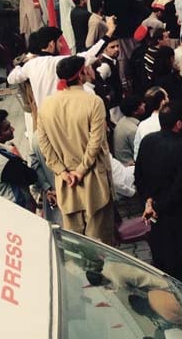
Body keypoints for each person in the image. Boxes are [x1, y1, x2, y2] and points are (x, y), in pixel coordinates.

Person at [35, 56, 115, 244]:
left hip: (66, 184)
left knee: (77, 243)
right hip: (94, 180)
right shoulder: (93, 102)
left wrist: (62, 172)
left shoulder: (46, 105)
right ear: (80, 74)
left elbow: (44, 143)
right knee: (100, 244)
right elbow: (96, 142)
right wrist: (80, 171)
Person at [135, 102, 182, 287]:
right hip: (179, 220)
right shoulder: (181, 150)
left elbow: (139, 176)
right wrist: (156, 206)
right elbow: (180, 188)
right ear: (179, 124)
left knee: (162, 267)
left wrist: (148, 202)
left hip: (156, 218)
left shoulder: (148, 141)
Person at [0, 109, 37, 210]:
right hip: (18, 210)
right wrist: (18, 157)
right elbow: (31, 176)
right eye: (7, 128)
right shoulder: (3, 161)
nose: (13, 129)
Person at [113, 95, 144, 165]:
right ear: (135, 112)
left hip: (121, 163)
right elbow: (140, 153)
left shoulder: (121, 121)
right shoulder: (133, 130)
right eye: (141, 105)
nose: (144, 105)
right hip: (130, 166)